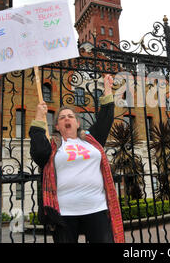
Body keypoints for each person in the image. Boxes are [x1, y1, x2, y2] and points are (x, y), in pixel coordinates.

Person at [29, 74, 124, 243]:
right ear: (57, 126)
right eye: (62, 117)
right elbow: (38, 154)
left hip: (97, 208)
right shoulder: (53, 146)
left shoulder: (91, 140)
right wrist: (38, 117)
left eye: (71, 116)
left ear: (78, 123)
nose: (67, 118)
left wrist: (108, 88)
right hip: (65, 213)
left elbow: (105, 119)